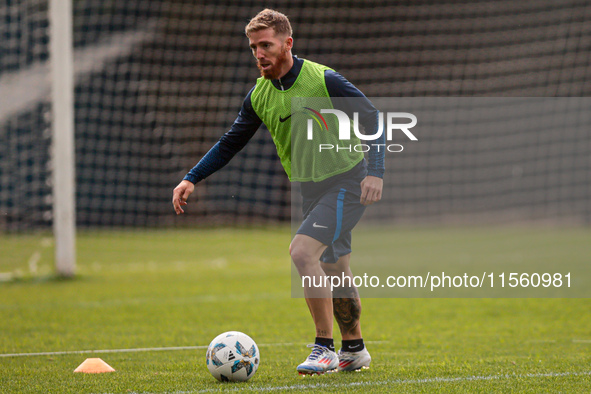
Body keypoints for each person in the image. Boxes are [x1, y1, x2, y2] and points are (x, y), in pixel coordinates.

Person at [172, 9, 384, 375]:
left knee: (302, 253)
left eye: (265, 45)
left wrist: (376, 173)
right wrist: (192, 177)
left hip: (348, 180)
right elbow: (229, 144)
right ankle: (355, 349)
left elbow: (373, 118)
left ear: (288, 43)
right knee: (335, 268)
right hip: (312, 189)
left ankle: (324, 348)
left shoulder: (324, 80)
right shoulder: (260, 95)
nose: (259, 54)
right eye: (253, 47)